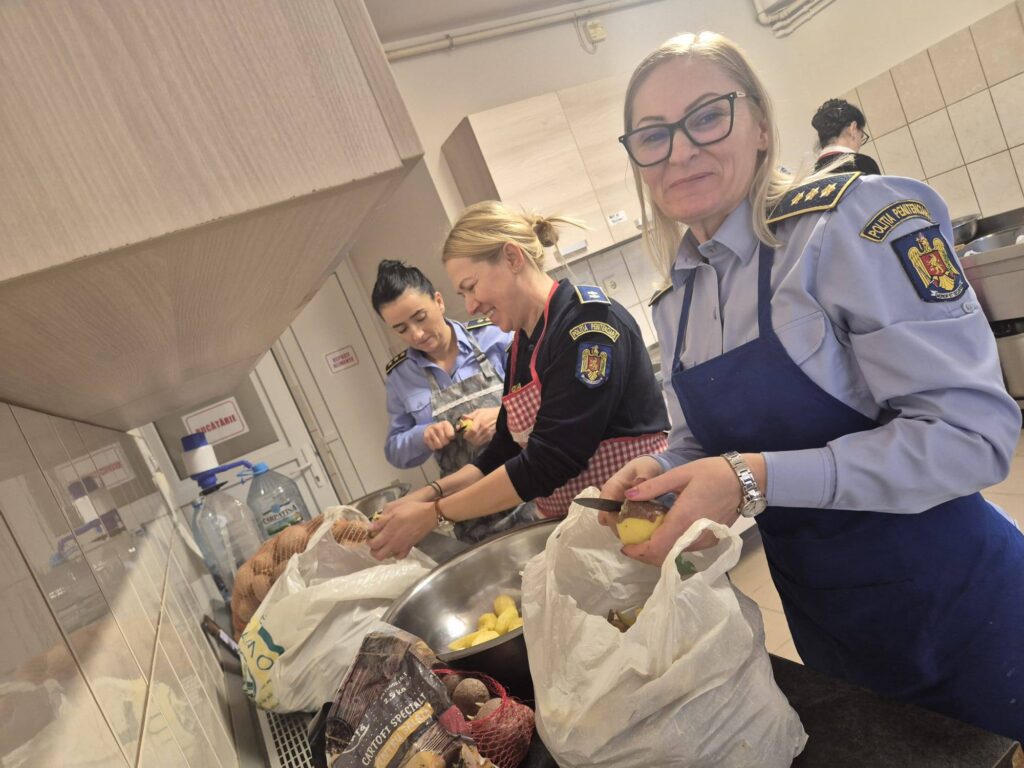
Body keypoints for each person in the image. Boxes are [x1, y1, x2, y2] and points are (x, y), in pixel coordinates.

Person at [606, 31, 1024, 741]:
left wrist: (753, 478)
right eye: (653, 135)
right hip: (828, 626)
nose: (679, 151)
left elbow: (972, 439)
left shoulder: (844, 227)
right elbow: (703, 442)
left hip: (961, 612)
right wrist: (665, 471)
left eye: (707, 117)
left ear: (761, 126)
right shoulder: (676, 301)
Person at [369, 202, 669, 560]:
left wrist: (435, 513)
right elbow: (502, 451)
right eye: (462, 294)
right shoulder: (521, 346)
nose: (470, 305)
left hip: (640, 521)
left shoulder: (587, 328)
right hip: (591, 533)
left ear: (512, 258)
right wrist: (428, 494)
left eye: (471, 287)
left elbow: (550, 460)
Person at [373, 259, 534, 543]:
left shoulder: (495, 337)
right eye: (401, 329)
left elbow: (544, 401)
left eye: (420, 317)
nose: (416, 334)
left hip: (530, 490)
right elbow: (395, 450)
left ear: (439, 301)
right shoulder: (400, 376)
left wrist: (501, 416)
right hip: (468, 513)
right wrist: (422, 435)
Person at [811, 97, 881, 174]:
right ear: (853, 128)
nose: (859, 145)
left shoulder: (812, 175)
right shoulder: (863, 164)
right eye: (861, 136)